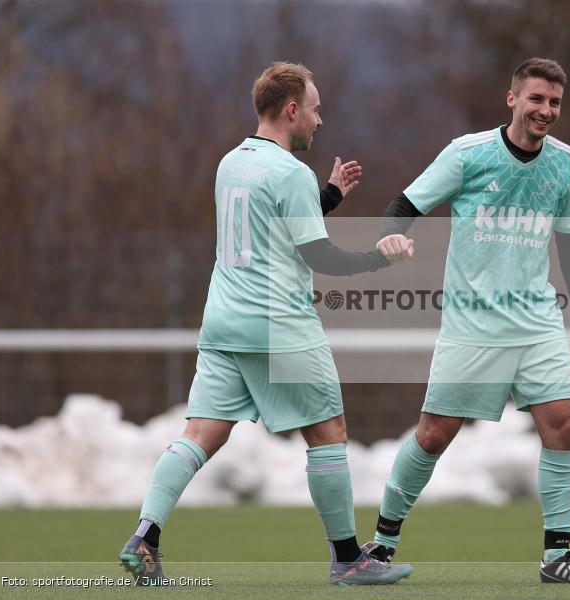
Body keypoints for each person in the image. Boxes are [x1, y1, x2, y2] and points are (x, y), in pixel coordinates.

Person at [118, 61, 413, 586]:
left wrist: (330, 197)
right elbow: (320, 256)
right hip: (279, 322)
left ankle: (146, 536)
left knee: (199, 436)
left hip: (224, 321)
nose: (320, 121)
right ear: (292, 110)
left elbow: (272, 227)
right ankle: (349, 560)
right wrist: (379, 258)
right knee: (327, 433)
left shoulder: (231, 163)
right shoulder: (290, 172)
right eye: (316, 109)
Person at [365, 57, 570, 585]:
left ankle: (558, 556)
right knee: (434, 434)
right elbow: (404, 204)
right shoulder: (468, 153)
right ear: (512, 98)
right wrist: (392, 234)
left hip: (538, 320)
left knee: (562, 421)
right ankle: (380, 545)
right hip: (472, 323)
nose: (545, 110)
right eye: (537, 99)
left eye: (555, 103)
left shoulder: (565, 163)